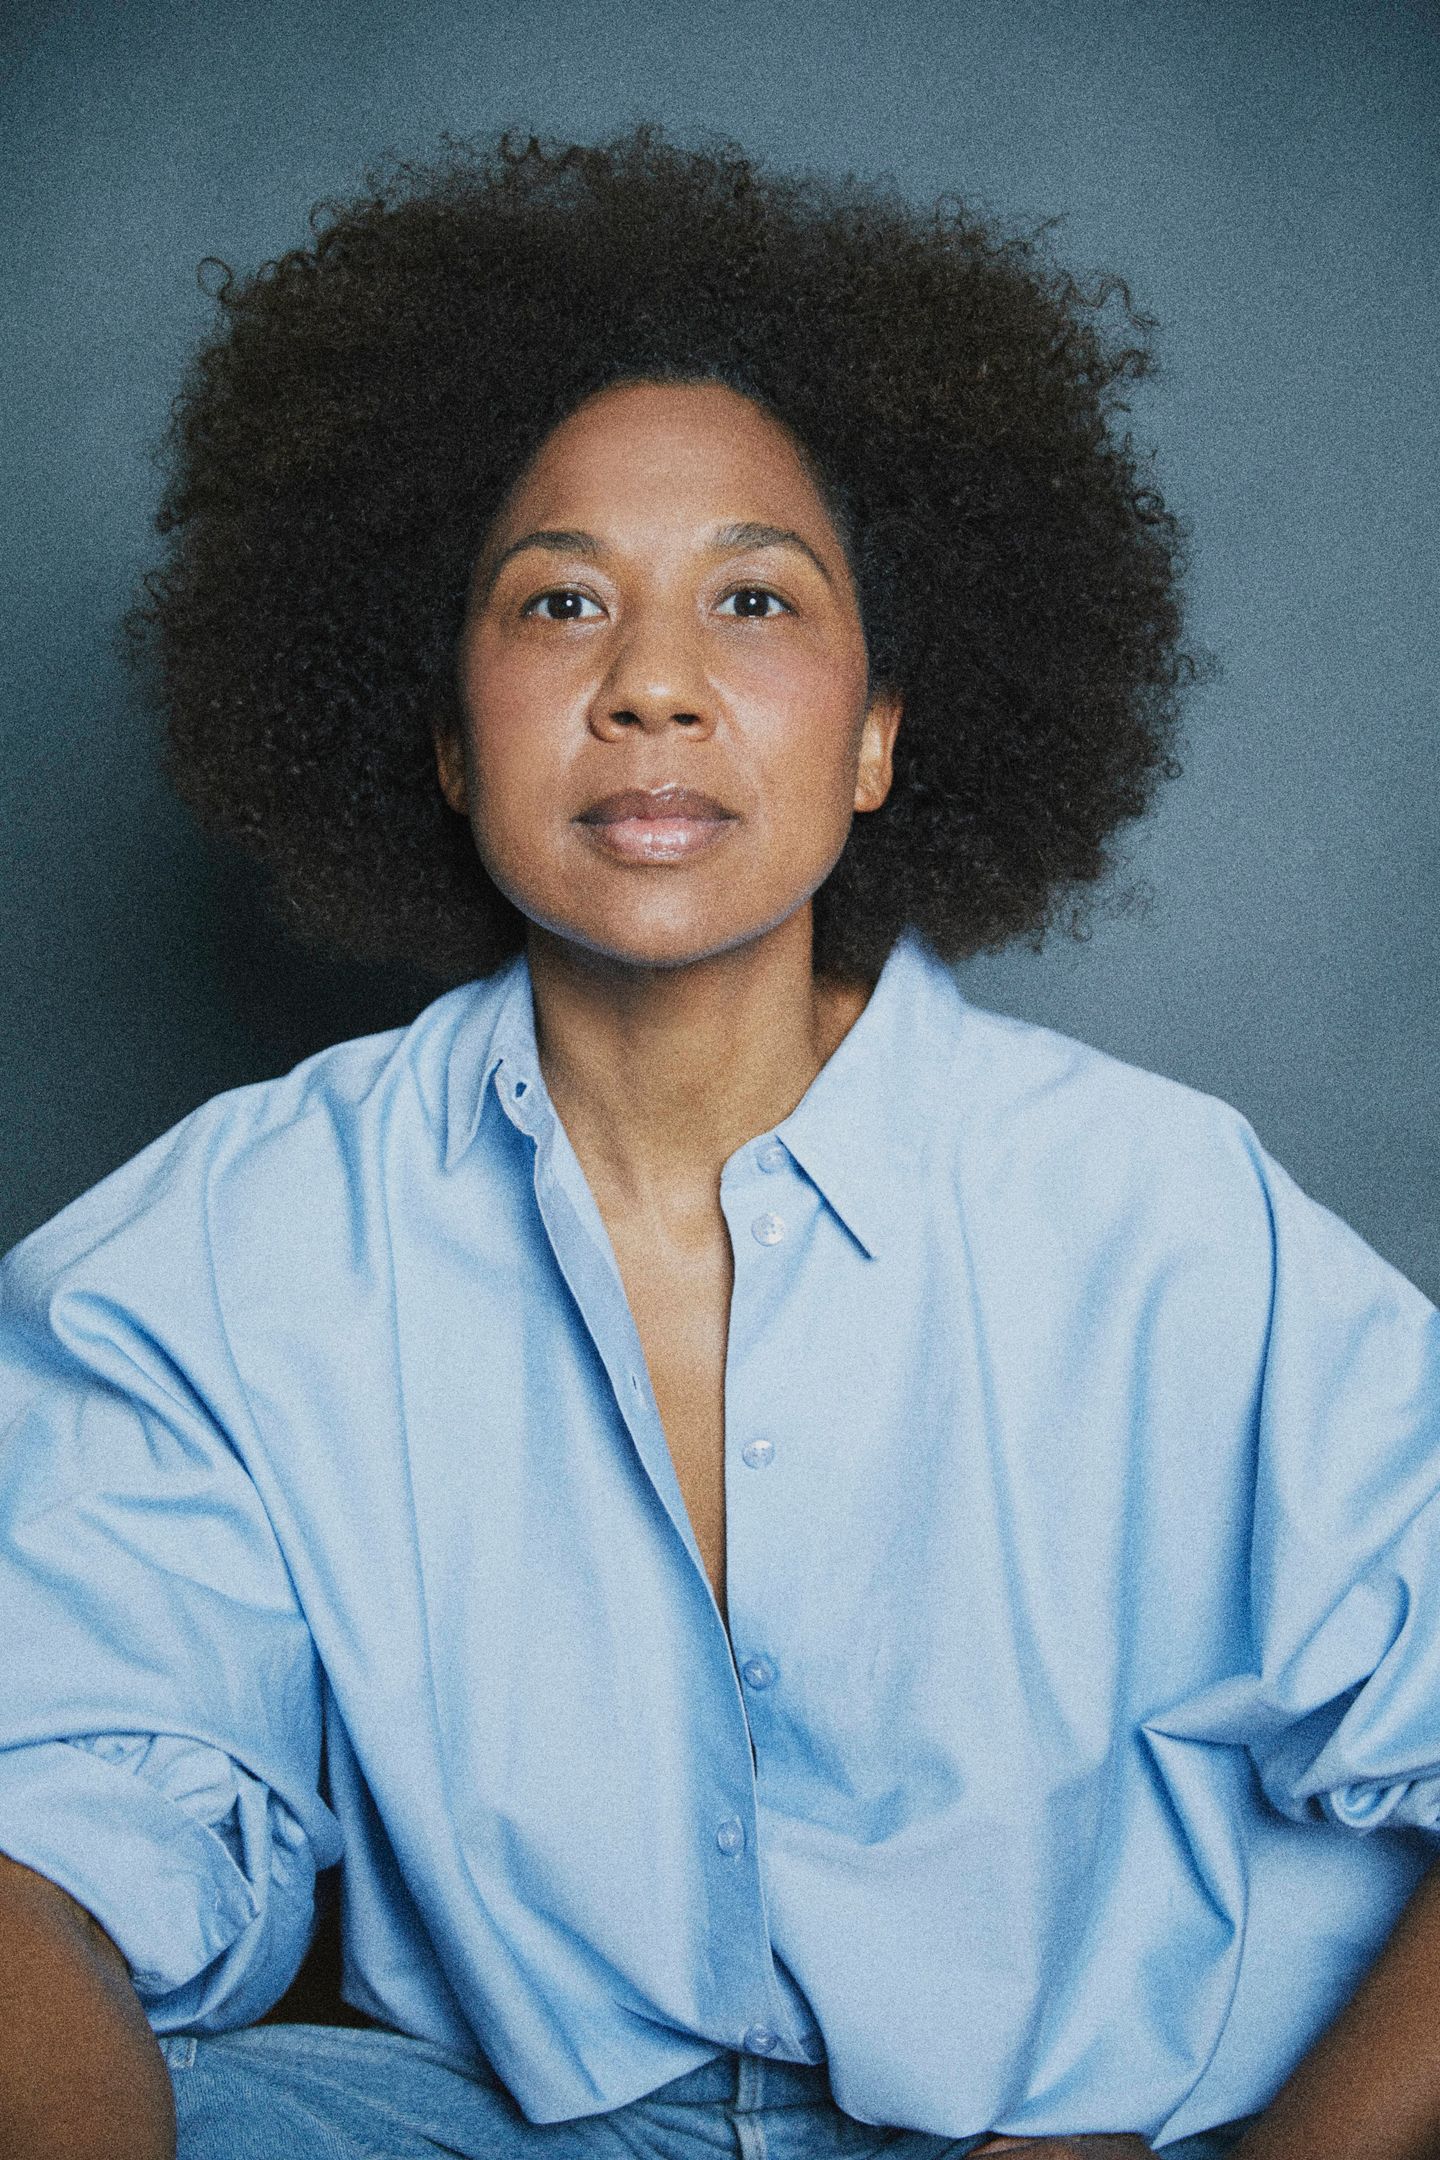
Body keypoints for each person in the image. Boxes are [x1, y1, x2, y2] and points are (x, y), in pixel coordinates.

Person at [1, 124, 1437, 2160]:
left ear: (878, 736)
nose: (653, 685)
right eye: (560, 602)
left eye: (753, 600)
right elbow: (45, 1841)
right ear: (449, 739)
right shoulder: (228, 1247)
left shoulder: (1159, 1221)